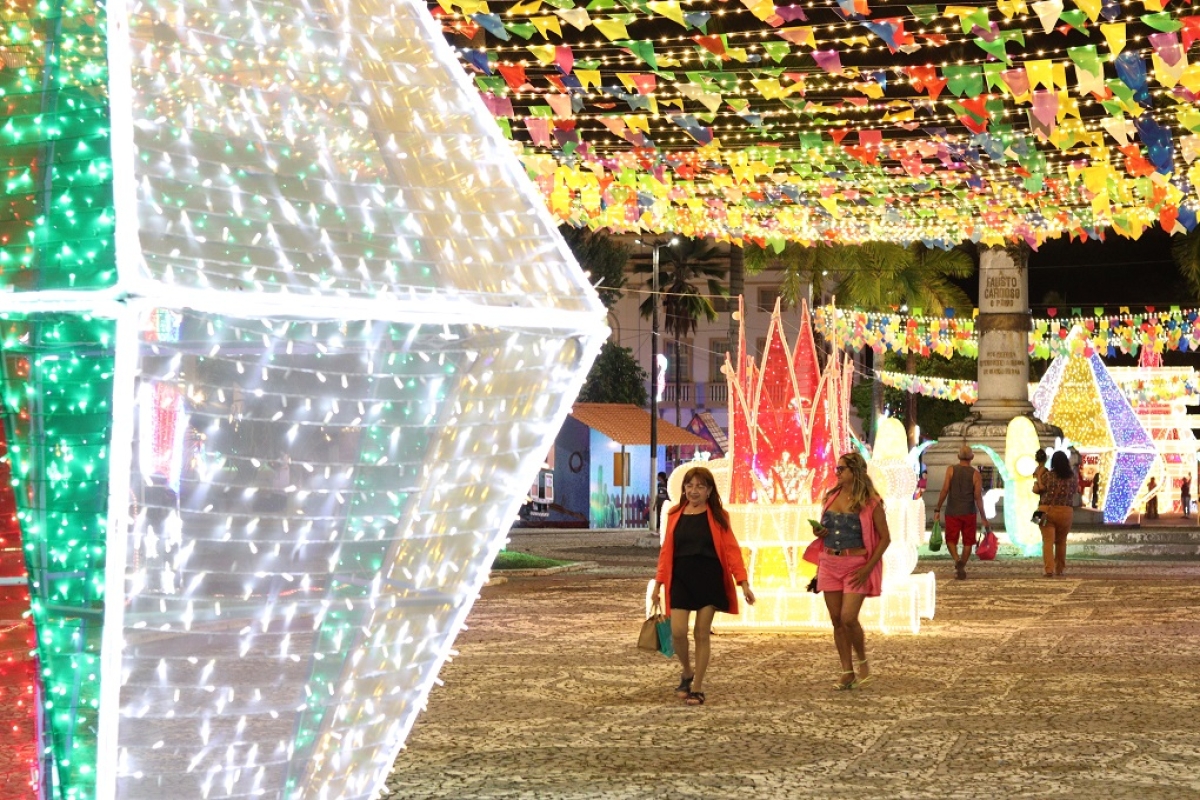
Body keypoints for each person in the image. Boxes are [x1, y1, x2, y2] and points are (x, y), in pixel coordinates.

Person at [651, 466, 754, 706]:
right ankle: (687, 671)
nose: (693, 490)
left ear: (709, 490)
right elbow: (666, 552)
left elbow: (731, 550)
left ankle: (697, 686)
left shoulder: (718, 516)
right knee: (678, 631)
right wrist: (658, 584)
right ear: (683, 489)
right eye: (689, 485)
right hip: (681, 578)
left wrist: (743, 582)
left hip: (710, 578)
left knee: (701, 632)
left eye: (699, 486)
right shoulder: (675, 514)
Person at [812, 452, 891, 690]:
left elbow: (885, 538)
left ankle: (862, 658)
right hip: (829, 563)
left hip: (855, 565)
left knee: (848, 618)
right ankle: (847, 671)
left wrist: (868, 568)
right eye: (837, 469)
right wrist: (819, 532)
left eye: (841, 469)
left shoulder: (870, 501)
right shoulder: (831, 496)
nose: (837, 473)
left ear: (855, 471)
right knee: (837, 620)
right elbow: (828, 529)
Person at [933, 444, 993, 580]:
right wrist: (984, 517)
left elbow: (944, 490)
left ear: (958, 456)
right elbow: (978, 497)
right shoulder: (976, 474)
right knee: (968, 542)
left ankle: (957, 560)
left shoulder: (951, 470)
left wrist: (937, 508)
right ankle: (962, 565)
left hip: (952, 511)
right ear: (972, 457)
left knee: (950, 540)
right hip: (969, 512)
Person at [1033, 451, 1076, 577]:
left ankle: (1049, 570)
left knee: (1047, 541)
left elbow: (1036, 489)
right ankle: (1060, 569)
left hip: (1046, 511)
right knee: (1061, 541)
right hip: (1066, 512)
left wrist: (1038, 477)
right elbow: (1075, 491)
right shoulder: (1072, 477)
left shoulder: (1048, 476)